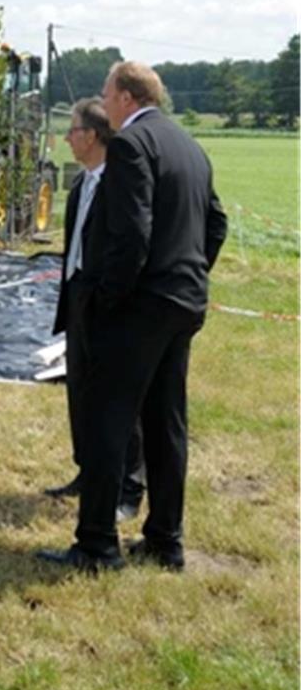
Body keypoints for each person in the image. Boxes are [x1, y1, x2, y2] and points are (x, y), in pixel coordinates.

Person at [37, 61, 227, 573]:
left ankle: (97, 544)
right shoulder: (188, 144)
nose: (104, 103)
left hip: (139, 307)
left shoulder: (131, 144)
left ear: (124, 97)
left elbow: (130, 234)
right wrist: (189, 274)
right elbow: (216, 222)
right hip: (182, 302)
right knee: (166, 422)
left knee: (106, 421)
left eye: (106, 92)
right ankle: (166, 539)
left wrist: (110, 299)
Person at [45, 97, 146, 521]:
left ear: (93, 135)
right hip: (79, 296)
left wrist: (109, 296)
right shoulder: (81, 184)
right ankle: (89, 469)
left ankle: (128, 484)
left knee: (119, 397)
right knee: (81, 389)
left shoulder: (116, 184)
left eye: (73, 130)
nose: (67, 138)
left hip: (108, 299)